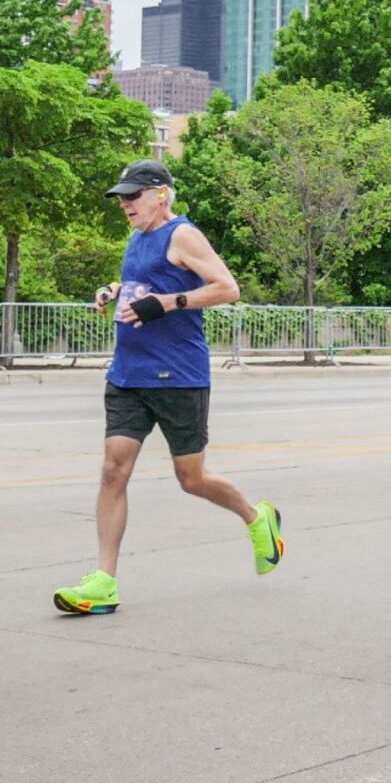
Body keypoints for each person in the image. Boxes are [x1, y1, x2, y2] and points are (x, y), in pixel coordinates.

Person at [51, 159, 286, 616]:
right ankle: (104, 582)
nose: (124, 204)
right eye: (121, 197)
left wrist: (170, 303)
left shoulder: (183, 234)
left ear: (161, 193)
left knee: (191, 479)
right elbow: (147, 282)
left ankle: (257, 517)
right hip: (128, 374)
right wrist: (114, 291)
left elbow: (226, 287)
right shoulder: (138, 236)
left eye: (132, 196)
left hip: (178, 375)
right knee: (113, 471)